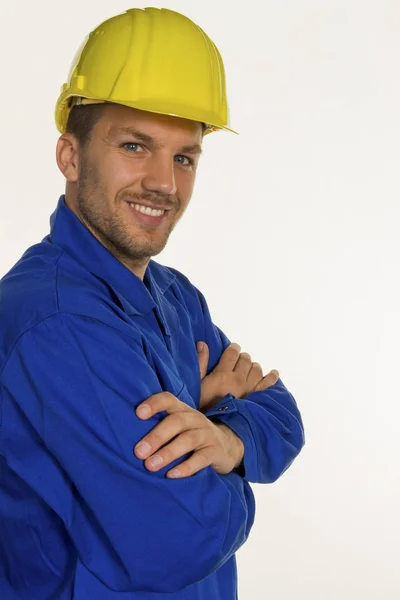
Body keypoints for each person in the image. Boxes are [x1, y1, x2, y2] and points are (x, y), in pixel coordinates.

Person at [0, 7, 305, 600]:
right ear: (69, 155)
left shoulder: (173, 294)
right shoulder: (56, 323)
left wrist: (227, 440)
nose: (164, 183)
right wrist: (219, 420)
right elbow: (178, 538)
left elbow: (285, 416)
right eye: (136, 146)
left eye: (183, 156)